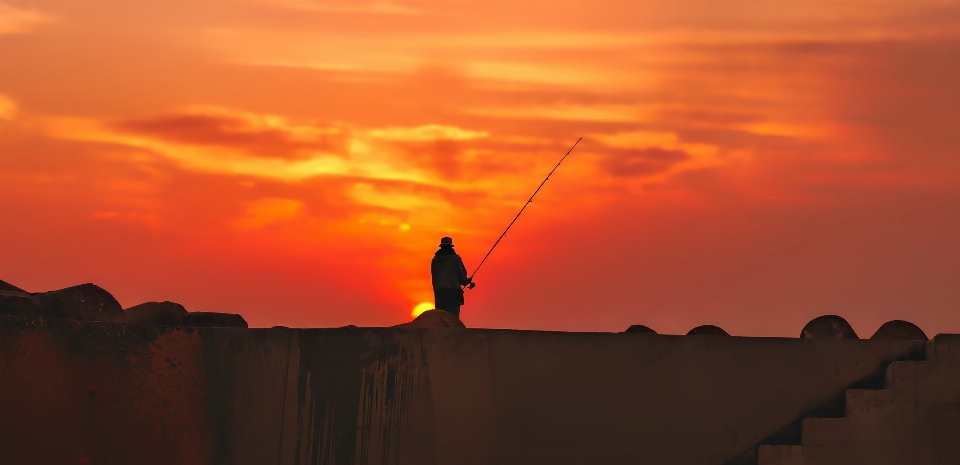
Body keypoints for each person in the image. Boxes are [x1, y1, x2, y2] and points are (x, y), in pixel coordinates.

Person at [431, 237, 474, 317]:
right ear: (451, 247)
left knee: (441, 318)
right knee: (453, 319)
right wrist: (467, 281)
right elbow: (462, 279)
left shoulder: (435, 260)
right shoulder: (455, 259)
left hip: (440, 293)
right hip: (454, 293)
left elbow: (434, 277)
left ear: (441, 247)